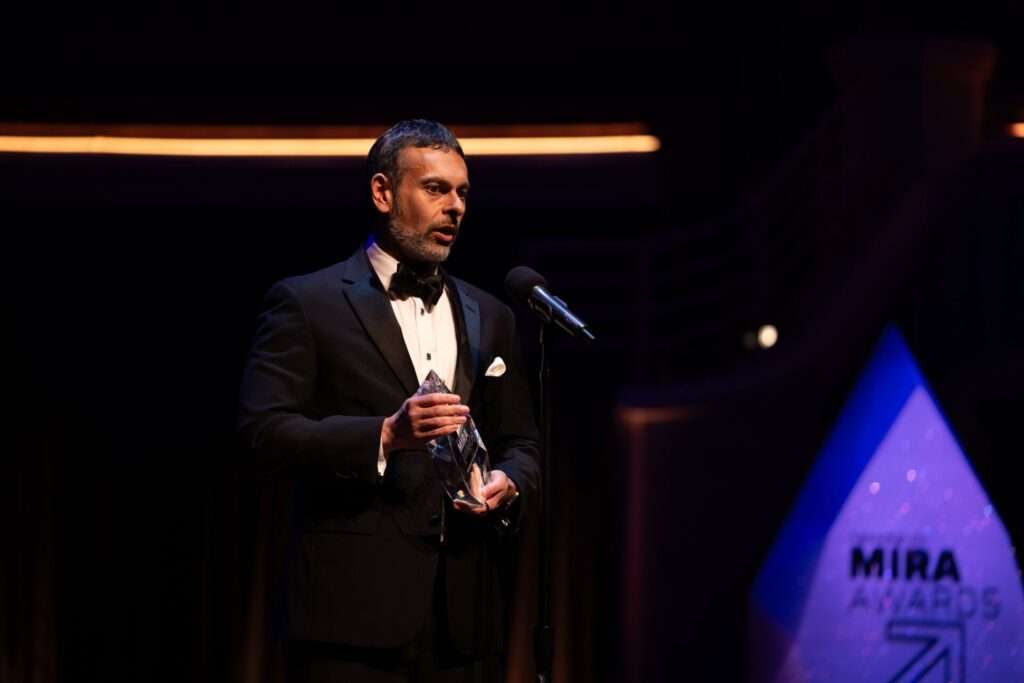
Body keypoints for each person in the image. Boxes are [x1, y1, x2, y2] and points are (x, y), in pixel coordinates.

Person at [238, 119, 541, 682]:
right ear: (383, 192)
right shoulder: (307, 303)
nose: (455, 207)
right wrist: (383, 435)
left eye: (462, 193)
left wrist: (509, 482)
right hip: (349, 620)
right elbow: (263, 434)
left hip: (464, 621)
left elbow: (521, 442)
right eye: (435, 189)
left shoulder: (491, 315)